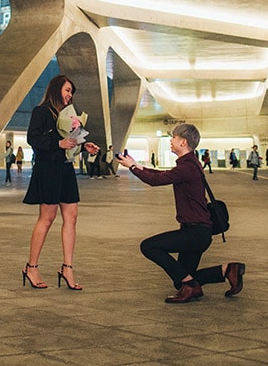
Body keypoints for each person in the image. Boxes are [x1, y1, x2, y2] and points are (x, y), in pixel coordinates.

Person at [117, 124, 245, 304]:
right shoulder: (189, 164)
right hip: (199, 231)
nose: (171, 140)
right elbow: (164, 175)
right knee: (182, 279)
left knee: (149, 246)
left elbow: (156, 180)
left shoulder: (188, 167)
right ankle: (227, 270)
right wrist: (137, 166)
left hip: (195, 232)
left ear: (183, 142)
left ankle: (192, 286)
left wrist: (132, 168)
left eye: (174, 138)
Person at [21, 74, 98, 291]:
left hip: (65, 169)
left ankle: (67, 267)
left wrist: (84, 146)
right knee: (47, 217)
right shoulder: (42, 111)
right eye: (67, 90)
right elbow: (33, 139)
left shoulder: (69, 115)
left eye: (71, 91)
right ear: (56, 90)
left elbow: (71, 142)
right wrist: (58, 142)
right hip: (47, 169)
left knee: (72, 216)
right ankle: (32, 267)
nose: (70, 95)